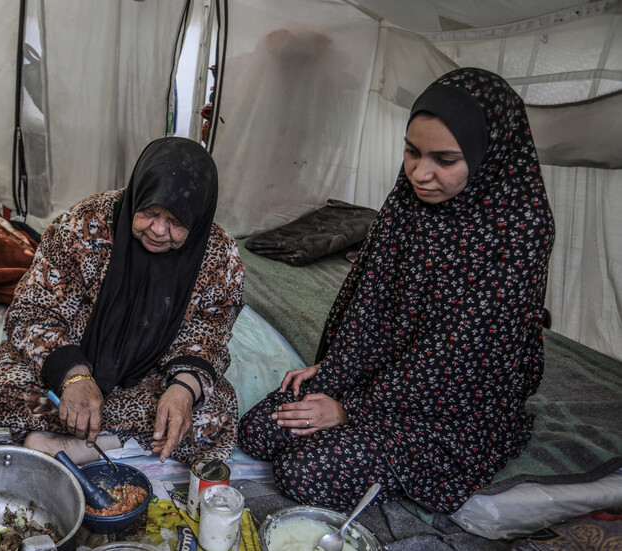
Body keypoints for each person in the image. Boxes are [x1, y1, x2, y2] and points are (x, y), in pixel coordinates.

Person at [238, 67, 555, 515]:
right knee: (258, 432)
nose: (421, 174)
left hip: (452, 404)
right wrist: (338, 369)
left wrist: (350, 411)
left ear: (490, 154)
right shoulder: (410, 199)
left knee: (302, 471)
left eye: (444, 160)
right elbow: (370, 300)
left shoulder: (522, 230)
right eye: (412, 152)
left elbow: (457, 354)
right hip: (383, 368)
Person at [0, 136, 245, 465]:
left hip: (145, 380)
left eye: (175, 222)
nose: (158, 230)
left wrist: (183, 389)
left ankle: (73, 446)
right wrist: (73, 376)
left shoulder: (219, 258)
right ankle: (111, 443)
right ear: (137, 195)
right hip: (66, 364)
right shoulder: (83, 225)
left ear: (197, 221)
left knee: (216, 411)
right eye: (150, 212)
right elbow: (32, 313)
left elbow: (207, 338)